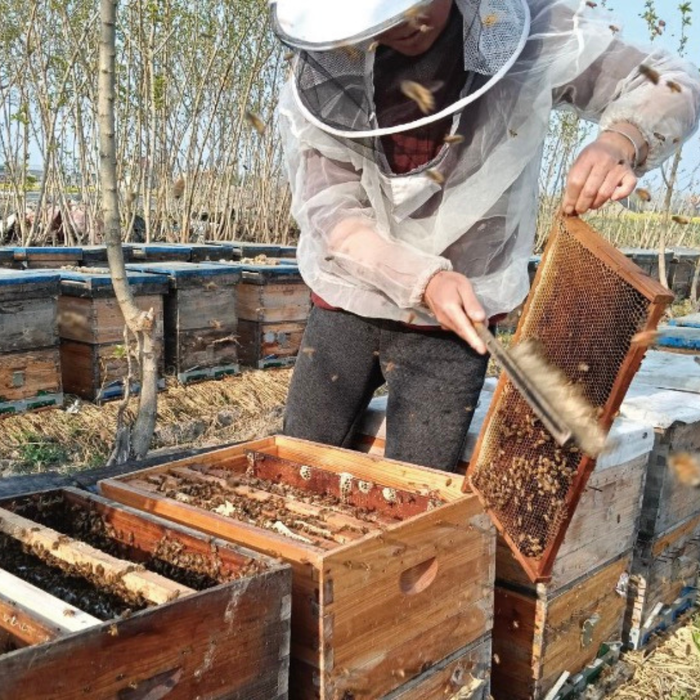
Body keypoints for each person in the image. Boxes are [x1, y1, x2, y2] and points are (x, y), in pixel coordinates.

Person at [271, 0, 700, 472]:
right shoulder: (327, 69)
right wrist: (423, 278)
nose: (408, 25)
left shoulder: (525, 27)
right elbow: (332, 215)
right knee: (298, 462)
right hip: (348, 302)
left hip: (455, 325)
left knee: (418, 484)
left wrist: (621, 140)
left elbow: (671, 82)